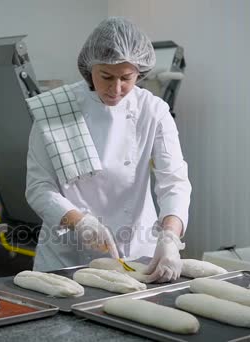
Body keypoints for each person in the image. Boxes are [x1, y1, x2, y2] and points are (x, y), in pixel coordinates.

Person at [25, 17, 191, 283]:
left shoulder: (154, 111)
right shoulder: (55, 109)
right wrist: (80, 222)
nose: (116, 89)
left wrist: (171, 237)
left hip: (137, 257)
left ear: (140, 71)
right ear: (89, 68)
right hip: (66, 259)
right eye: (106, 77)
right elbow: (39, 187)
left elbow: (174, 182)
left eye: (127, 78)